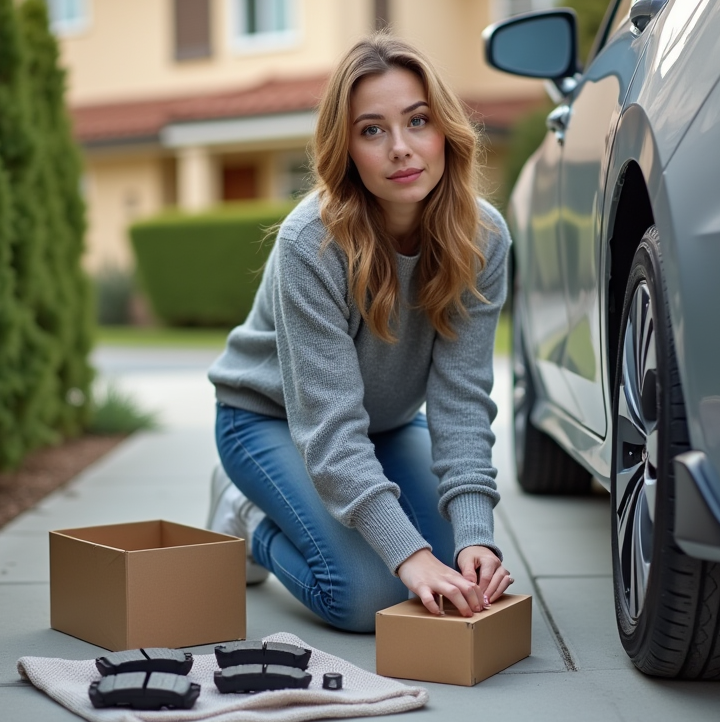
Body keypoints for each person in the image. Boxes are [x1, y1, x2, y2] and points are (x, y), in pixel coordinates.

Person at [207, 32, 514, 633]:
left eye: (417, 121)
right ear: (345, 149)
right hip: (267, 419)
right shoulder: (311, 244)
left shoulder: (484, 238)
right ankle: (247, 515)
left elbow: (461, 399)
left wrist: (476, 535)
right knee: (367, 593)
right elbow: (328, 427)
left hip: (385, 424)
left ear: (445, 129)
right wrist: (407, 555)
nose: (401, 148)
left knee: (452, 567)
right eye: (372, 130)